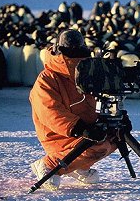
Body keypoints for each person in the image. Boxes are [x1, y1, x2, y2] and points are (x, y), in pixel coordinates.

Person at [29, 29, 129, 191]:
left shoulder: (89, 72)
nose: (74, 49)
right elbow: (50, 111)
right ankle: (50, 163)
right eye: (70, 47)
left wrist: (115, 116)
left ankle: (78, 165)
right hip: (61, 135)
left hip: (86, 131)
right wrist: (80, 128)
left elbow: (100, 99)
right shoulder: (48, 78)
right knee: (98, 145)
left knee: (116, 137)